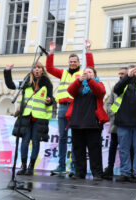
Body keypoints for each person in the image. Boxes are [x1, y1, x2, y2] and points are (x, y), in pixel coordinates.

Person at [4, 62, 53, 176]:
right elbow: (11, 85)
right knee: (24, 142)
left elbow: (51, 99)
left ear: (42, 70)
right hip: (26, 118)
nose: (37, 70)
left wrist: (49, 100)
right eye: (35, 68)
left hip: (39, 119)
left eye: (39, 68)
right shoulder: (26, 82)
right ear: (32, 70)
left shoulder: (47, 84)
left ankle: (31, 167)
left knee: (35, 142)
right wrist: (7, 71)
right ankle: (23, 166)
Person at [46, 41, 86, 176]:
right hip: (62, 107)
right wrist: (51, 53)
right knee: (62, 138)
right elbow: (50, 68)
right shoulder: (63, 73)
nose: (73, 63)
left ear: (79, 62)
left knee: (75, 138)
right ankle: (61, 166)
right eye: (71, 61)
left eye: (75, 61)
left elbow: (92, 67)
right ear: (68, 62)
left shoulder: (81, 73)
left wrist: (88, 50)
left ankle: (74, 167)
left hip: (74, 107)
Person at [66, 64, 108, 180]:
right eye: (85, 72)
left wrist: (90, 80)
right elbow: (70, 91)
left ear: (94, 75)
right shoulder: (78, 86)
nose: (87, 73)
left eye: (90, 72)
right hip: (77, 122)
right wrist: (79, 81)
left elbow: (100, 92)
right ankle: (80, 172)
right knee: (78, 150)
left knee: (94, 150)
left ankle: (97, 173)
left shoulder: (98, 84)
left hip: (92, 123)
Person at [103, 67, 134, 180]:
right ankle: (110, 169)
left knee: (128, 148)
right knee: (113, 146)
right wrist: (112, 114)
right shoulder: (115, 87)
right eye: (119, 73)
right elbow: (109, 103)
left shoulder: (131, 86)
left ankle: (128, 170)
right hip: (116, 122)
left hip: (127, 123)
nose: (120, 75)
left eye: (123, 74)